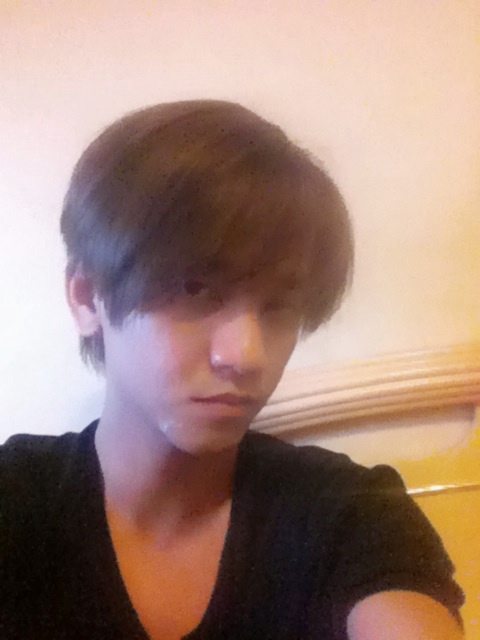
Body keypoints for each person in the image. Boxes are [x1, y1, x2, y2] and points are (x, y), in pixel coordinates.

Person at [0, 100, 464, 640]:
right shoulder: (18, 501)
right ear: (87, 298)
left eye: (279, 305)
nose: (247, 355)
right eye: (195, 288)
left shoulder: (347, 511)